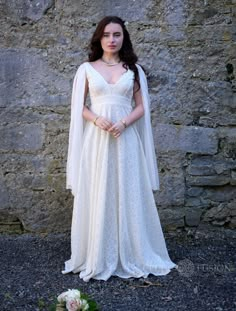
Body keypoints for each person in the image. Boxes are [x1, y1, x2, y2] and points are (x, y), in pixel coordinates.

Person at [62, 16, 177, 282]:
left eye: (116, 34)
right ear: (98, 38)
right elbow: (77, 106)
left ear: (123, 37)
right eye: (106, 35)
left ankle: (134, 250)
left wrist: (124, 123)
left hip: (125, 138)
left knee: (128, 188)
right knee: (99, 187)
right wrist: (96, 118)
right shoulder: (86, 69)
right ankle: (98, 253)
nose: (111, 40)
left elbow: (141, 105)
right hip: (98, 139)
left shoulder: (133, 70)